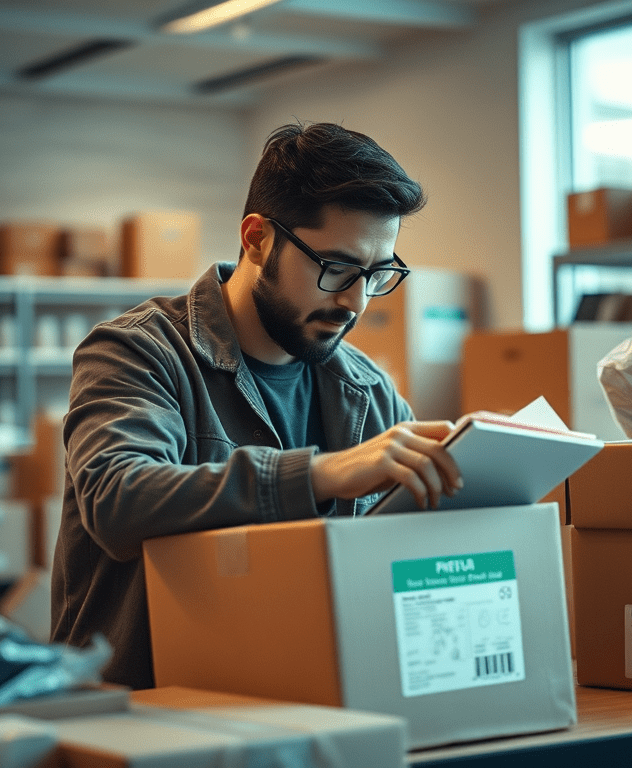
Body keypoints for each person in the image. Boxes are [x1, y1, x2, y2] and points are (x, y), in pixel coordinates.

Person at [50, 121, 464, 690]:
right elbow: (118, 499)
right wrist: (322, 474)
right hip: (146, 714)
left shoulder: (368, 392)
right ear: (256, 240)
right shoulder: (138, 351)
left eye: (376, 274)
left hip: (306, 699)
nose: (355, 300)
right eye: (337, 268)